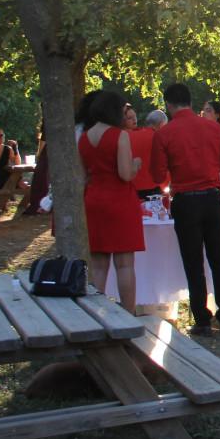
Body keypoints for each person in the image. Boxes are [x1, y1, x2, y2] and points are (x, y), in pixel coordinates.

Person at [151, 83, 220, 335]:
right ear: (190, 101)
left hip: (186, 200)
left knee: (193, 261)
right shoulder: (213, 128)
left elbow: (158, 174)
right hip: (212, 197)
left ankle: (201, 318)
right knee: (218, 258)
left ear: (168, 105)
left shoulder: (165, 134)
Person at [79, 91, 144, 314]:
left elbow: (83, 175)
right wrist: (136, 164)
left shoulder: (85, 137)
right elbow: (125, 174)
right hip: (119, 200)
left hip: (94, 199)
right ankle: (128, 313)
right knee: (124, 264)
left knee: (98, 264)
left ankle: (95, 313)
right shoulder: (119, 136)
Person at [130, 109, 166, 199]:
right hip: (152, 190)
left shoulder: (128, 135)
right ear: (161, 124)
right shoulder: (159, 138)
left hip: (131, 189)